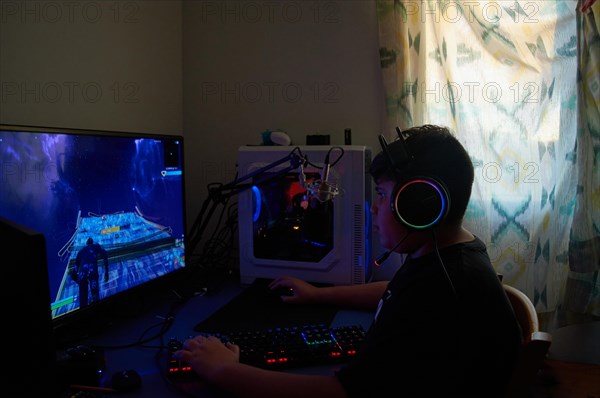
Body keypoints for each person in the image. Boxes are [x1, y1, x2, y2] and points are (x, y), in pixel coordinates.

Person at [174, 125, 522, 397]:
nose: (374, 207)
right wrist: (317, 295)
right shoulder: (453, 255)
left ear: (419, 206)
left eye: (383, 196)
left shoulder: (440, 290)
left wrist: (223, 370)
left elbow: (340, 393)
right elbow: (397, 290)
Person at [71, 237, 109, 307]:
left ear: (86, 243)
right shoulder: (95, 246)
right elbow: (105, 254)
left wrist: (79, 281)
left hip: (82, 275)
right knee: (95, 298)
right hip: (92, 272)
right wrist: (106, 272)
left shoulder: (80, 252)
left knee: (83, 302)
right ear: (92, 242)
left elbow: (73, 274)